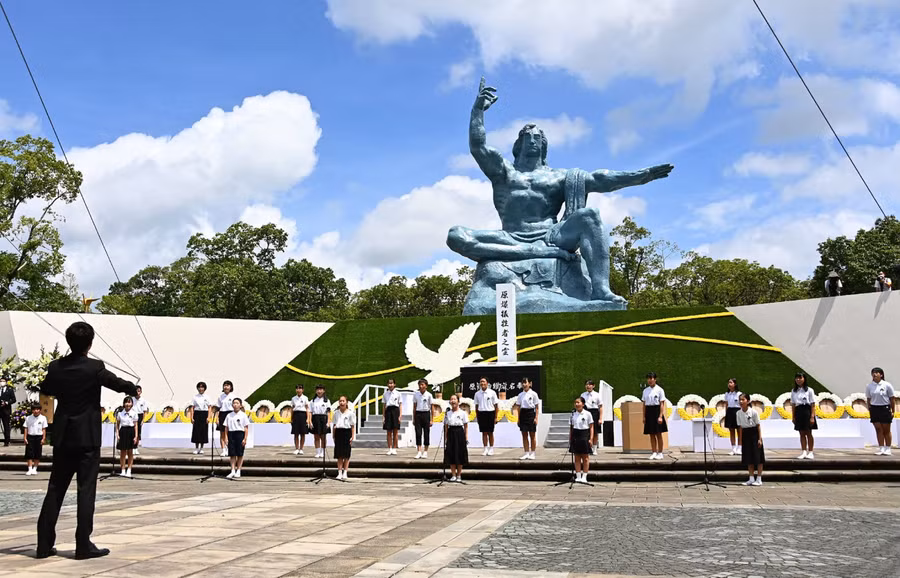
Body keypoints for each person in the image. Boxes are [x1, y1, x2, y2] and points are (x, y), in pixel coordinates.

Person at [36, 321, 138, 560]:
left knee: (55, 488)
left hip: (63, 436)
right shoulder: (94, 367)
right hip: (87, 438)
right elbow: (116, 383)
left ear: (68, 341)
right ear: (90, 344)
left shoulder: (55, 367)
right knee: (86, 490)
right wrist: (132, 388)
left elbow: (46, 388)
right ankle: (83, 544)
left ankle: (43, 545)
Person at [737, 392, 765, 486]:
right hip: (746, 434)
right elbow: (740, 427)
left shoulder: (753, 412)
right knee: (748, 457)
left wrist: (759, 438)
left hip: (754, 434)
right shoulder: (738, 413)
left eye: (743, 400)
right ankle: (751, 478)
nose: (741, 402)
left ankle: (759, 478)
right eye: (740, 400)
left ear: (748, 401)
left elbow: (758, 426)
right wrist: (740, 441)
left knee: (758, 457)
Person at [866, 367, 895, 456]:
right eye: (873, 373)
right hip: (875, 409)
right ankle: (881, 448)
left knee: (886, 430)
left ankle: (888, 448)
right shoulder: (869, 386)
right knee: (878, 429)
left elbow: (892, 398)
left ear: (881, 375)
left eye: (877, 372)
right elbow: (868, 398)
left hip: (885, 408)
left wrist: (893, 410)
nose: (875, 374)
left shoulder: (887, 385)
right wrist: (870, 408)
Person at [791, 372, 817, 460]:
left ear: (804, 379)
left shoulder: (809, 390)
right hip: (799, 411)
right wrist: (793, 416)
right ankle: (803, 451)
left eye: (800, 378)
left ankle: (811, 452)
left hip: (807, 411)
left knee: (808, 432)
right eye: (797, 378)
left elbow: (813, 404)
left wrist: (812, 416)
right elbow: (793, 404)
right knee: (801, 433)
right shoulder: (794, 391)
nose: (798, 380)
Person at [641, 372, 667, 460]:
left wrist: (660, 416)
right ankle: (654, 452)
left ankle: (660, 452)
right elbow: (644, 404)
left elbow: (662, 404)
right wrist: (644, 416)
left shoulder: (660, 390)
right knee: (651, 434)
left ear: (655, 379)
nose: (650, 380)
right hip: (649, 411)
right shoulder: (645, 391)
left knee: (658, 433)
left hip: (656, 411)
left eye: (651, 378)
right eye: (648, 378)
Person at [443, 394, 469, 482]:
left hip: (459, 433)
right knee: (451, 453)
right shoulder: (448, 413)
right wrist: (446, 437)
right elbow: (446, 426)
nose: (453, 401)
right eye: (451, 399)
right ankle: (453, 475)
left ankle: (459, 475)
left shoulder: (462, 413)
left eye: (454, 399)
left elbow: (466, 426)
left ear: (458, 401)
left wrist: (466, 438)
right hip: (451, 432)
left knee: (460, 453)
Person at [569, 396, 594, 483]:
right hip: (576, 435)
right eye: (575, 402)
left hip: (584, 435)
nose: (576, 404)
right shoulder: (573, 414)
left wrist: (591, 439)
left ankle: (585, 476)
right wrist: (570, 438)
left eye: (578, 402)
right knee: (577, 457)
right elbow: (571, 428)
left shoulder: (588, 414)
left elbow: (591, 427)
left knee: (585, 457)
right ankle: (578, 476)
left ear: (583, 404)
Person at [514, 377, 540, 460]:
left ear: (530, 384)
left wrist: (536, 418)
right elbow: (518, 407)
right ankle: (526, 452)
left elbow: (536, 407)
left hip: (531, 414)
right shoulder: (520, 395)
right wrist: (518, 418)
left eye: (526, 383)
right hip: (523, 414)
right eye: (523, 383)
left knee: (532, 434)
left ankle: (533, 452)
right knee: (524, 434)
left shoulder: (534, 394)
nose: (524, 385)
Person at [332, 395, 356, 480]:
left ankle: (345, 472)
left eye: (343, 401)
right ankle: (339, 472)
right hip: (338, 432)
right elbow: (334, 424)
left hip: (346, 432)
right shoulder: (336, 413)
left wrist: (352, 436)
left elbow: (352, 426)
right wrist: (333, 435)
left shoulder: (350, 413)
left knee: (346, 454)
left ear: (346, 402)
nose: (342, 403)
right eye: (340, 401)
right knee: (339, 455)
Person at [225, 398, 249, 479]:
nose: (235, 405)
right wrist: (226, 438)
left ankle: (238, 470)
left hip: (240, 434)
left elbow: (246, 428)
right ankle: (232, 470)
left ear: (240, 405)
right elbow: (226, 428)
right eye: (234, 403)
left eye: (237, 403)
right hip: (231, 434)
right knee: (232, 453)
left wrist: (245, 438)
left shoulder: (243, 415)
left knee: (239, 453)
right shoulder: (229, 415)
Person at [474, 377, 499, 456]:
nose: (482, 383)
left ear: (487, 383)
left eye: (484, 382)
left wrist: (496, 417)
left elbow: (496, 405)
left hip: (490, 413)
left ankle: (491, 448)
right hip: (481, 413)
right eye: (481, 382)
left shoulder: (492, 393)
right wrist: (477, 417)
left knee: (490, 432)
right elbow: (476, 406)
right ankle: (485, 448)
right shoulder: (477, 394)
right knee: (484, 432)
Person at [115, 396, 138, 478]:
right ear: (124, 404)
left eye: (129, 402)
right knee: (122, 452)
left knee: (130, 452)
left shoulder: (134, 413)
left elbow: (135, 425)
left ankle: (129, 469)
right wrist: (117, 434)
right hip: (123, 431)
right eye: (126, 402)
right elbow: (117, 425)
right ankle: (123, 469)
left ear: (132, 404)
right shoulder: (120, 413)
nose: (128, 404)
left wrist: (136, 436)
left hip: (131, 431)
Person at [24, 403, 48, 476]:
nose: (36, 411)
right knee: (29, 453)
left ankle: (35, 468)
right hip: (30, 437)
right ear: (32, 410)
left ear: (40, 410)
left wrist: (43, 438)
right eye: (34, 409)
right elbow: (26, 428)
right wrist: (25, 438)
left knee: (37, 453)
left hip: (39, 437)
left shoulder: (43, 418)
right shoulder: (28, 418)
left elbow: (44, 429)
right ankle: (29, 469)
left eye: (37, 409)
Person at [580, 379, 602, 455]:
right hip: (585, 412)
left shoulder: (597, 395)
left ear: (593, 386)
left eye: (590, 384)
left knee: (595, 432)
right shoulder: (582, 395)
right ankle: (588, 448)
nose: (588, 386)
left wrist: (600, 418)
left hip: (595, 413)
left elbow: (601, 406)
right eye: (587, 384)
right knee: (586, 431)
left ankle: (595, 449)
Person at [413, 379, 433, 459]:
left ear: (426, 386)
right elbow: (414, 407)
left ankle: (425, 451)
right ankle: (419, 451)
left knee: (426, 433)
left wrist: (432, 419)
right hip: (418, 414)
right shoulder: (416, 394)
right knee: (418, 433)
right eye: (420, 385)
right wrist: (414, 418)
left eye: (422, 384)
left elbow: (432, 407)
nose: (421, 386)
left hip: (426, 413)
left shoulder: (429, 395)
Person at [310, 385, 332, 459]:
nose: (319, 391)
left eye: (321, 390)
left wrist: (328, 422)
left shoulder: (326, 400)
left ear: (324, 391)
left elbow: (328, 412)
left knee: (323, 436)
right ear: (316, 391)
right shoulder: (313, 401)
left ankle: (322, 452)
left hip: (323, 418)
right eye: (318, 390)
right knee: (316, 436)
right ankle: (317, 452)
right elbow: (310, 412)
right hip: (315, 418)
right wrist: (310, 421)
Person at [215, 381, 236, 457]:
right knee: (222, 433)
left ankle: (230, 449)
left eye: (227, 386)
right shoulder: (220, 397)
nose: (226, 387)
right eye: (224, 385)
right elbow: (218, 408)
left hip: (231, 414)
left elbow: (237, 407)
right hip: (222, 414)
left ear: (231, 387)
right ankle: (223, 450)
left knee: (230, 433)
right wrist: (217, 418)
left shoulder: (233, 396)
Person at [382, 378, 402, 455]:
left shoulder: (398, 393)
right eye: (389, 383)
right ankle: (390, 448)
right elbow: (384, 406)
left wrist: (400, 415)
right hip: (388, 411)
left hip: (395, 411)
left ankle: (394, 448)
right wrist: (383, 416)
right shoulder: (385, 394)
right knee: (388, 431)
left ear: (394, 384)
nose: (390, 385)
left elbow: (400, 404)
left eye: (392, 383)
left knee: (395, 431)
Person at [190, 382, 211, 455]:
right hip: (197, 414)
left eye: (202, 387)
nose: (200, 388)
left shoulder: (207, 397)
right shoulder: (195, 397)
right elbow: (192, 407)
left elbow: (209, 407)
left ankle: (202, 448)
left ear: (205, 388)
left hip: (204, 414)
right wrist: (191, 417)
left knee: (203, 431)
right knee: (196, 431)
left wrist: (208, 417)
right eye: (199, 387)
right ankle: (196, 448)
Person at [290, 384, 310, 456]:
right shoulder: (293, 398)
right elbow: (292, 408)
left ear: (302, 390)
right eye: (297, 388)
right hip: (296, 415)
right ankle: (296, 448)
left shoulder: (305, 398)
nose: (298, 390)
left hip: (303, 415)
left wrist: (308, 418)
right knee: (296, 433)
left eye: (300, 388)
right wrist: (291, 418)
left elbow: (307, 408)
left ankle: (301, 449)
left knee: (303, 433)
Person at [724, 378, 742, 456]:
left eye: (731, 382)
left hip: (738, 411)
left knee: (739, 431)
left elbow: (741, 404)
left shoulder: (739, 394)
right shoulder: (727, 394)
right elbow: (726, 405)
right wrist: (726, 413)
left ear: (735, 384)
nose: (729, 384)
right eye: (728, 383)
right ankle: (733, 449)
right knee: (731, 431)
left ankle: (739, 448)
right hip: (730, 412)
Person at [131, 385, 147, 456]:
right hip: (132, 415)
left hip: (139, 416)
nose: (138, 392)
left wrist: (143, 420)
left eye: (139, 391)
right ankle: (131, 447)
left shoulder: (143, 400)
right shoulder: (131, 399)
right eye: (137, 390)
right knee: (132, 432)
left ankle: (136, 448)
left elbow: (144, 411)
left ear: (141, 392)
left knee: (138, 433)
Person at [0, 377, 16, 446]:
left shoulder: (10, 390)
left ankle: (7, 441)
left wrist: (6, 402)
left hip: (6, 410)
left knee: (6, 426)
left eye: (3, 381)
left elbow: (14, 399)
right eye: (1, 381)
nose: (2, 382)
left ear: (6, 382)